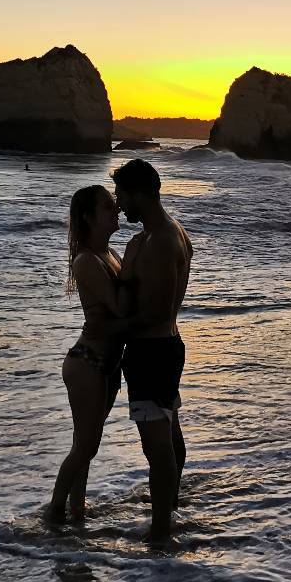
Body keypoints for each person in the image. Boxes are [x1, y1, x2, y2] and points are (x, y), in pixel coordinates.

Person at [112, 159, 193, 543]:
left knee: (156, 443)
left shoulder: (161, 239)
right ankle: (170, 507)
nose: (118, 203)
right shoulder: (155, 235)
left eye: (121, 195)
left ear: (140, 193)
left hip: (153, 350)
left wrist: (108, 331)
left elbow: (156, 310)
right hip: (162, 347)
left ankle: (161, 528)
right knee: (169, 428)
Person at [47, 185, 124, 522]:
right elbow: (121, 308)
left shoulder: (113, 255)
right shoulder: (87, 261)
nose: (117, 210)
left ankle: (76, 511)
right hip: (88, 363)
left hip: (107, 364)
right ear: (90, 217)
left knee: (85, 445)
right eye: (108, 207)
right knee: (86, 446)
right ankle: (55, 512)